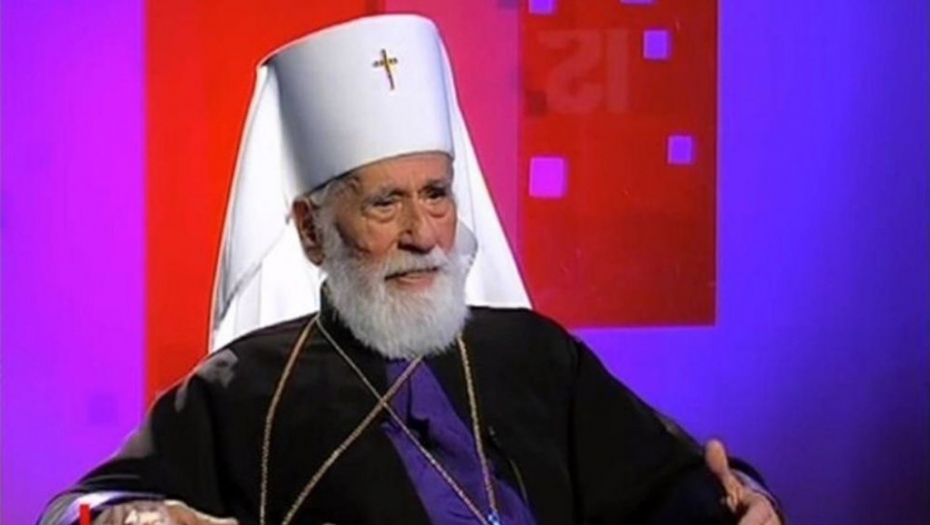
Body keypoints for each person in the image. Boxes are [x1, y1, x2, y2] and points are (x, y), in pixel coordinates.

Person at [39, 14, 781, 525]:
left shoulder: (534, 354)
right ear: (311, 230)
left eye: (436, 195)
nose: (423, 235)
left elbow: (677, 480)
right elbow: (79, 509)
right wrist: (132, 518)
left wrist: (742, 497)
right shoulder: (238, 392)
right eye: (385, 203)